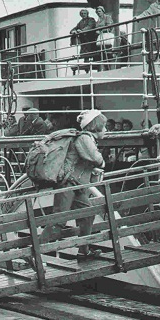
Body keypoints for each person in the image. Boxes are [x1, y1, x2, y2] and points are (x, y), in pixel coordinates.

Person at [39, 110, 106, 260]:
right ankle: (35, 253)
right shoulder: (85, 138)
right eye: (104, 126)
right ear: (96, 126)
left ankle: (83, 250)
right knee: (59, 220)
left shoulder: (85, 138)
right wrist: (102, 162)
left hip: (77, 185)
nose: (106, 130)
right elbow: (97, 158)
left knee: (87, 214)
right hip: (68, 184)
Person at [69, 9, 98, 73]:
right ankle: (86, 68)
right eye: (82, 14)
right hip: (84, 41)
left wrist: (82, 31)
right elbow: (75, 28)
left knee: (93, 53)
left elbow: (90, 26)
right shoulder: (81, 22)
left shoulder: (91, 20)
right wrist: (73, 31)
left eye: (84, 13)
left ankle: (96, 65)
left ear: (87, 14)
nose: (83, 15)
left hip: (91, 39)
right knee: (85, 54)